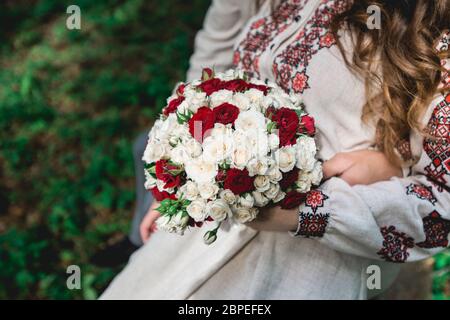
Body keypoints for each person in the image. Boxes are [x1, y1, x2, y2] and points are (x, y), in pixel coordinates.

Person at [100, 0, 449, 299]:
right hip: (210, 222)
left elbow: (441, 207)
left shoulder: (436, 33)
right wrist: (186, 175)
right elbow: (219, 50)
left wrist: (307, 211)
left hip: (311, 257)